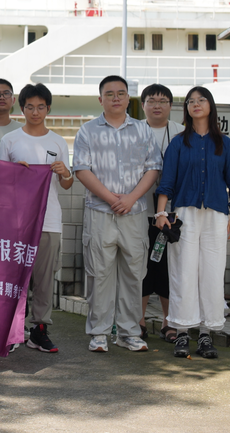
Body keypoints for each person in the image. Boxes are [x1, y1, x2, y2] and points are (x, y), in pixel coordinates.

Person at [72, 75, 160, 354]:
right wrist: (111, 199)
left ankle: (129, 332)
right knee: (99, 273)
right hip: (100, 212)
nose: (116, 98)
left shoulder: (143, 130)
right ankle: (99, 333)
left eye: (121, 93)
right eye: (109, 94)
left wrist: (131, 198)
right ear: (101, 99)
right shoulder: (87, 131)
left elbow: (153, 168)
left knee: (134, 273)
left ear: (127, 98)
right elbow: (81, 169)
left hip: (135, 213)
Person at [156, 87, 230, 360]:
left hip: (217, 215)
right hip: (185, 215)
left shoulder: (226, 144)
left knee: (212, 273)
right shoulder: (178, 143)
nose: (196, 104)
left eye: (201, 99)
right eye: (191, 101)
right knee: (183, 272)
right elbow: (167, 182)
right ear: (187, 109)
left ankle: (206, 333)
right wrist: (161, 213)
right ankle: (182, 331)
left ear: (210, 106)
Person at [0, 83, 73, 353]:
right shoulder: (10, 140)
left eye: (41, 107)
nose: (35, 112)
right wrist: (13, 172)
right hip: (17, 222)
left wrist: (65, 172)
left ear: (48, 109)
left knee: (44, 279)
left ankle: (39, 330)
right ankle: (12, 329)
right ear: (22, 109)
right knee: (15, 278)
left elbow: (67, 184)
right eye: (30, 107)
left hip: (49, 219)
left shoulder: (57, 141)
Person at [139, 83, 184, 344]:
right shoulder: (134, 131)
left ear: (171, 105)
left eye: (163, 101)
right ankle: (139, 320)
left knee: (169, 268)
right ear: (142, 104)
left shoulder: (181, 132)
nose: (157, 106)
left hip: (172, 213)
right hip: (139, 210)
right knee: (142, 267)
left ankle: (170, 322)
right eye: (152, 101)